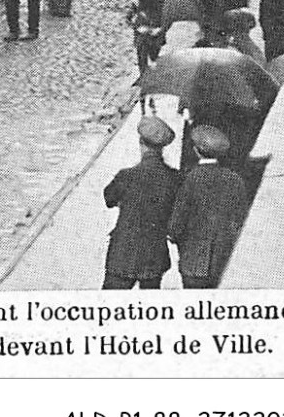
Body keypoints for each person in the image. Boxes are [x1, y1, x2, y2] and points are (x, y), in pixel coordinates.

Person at [101, 116, 181, 290]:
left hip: (123, 255)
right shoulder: (175, 178)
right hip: (154, 256)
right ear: (162, 148)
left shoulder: (126, 176)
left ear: (141, 144)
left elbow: (109, 198)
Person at [167, 125, 249, 290]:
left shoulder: (190, 178)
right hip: (221, 259)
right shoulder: (235, 180)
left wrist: (173, 234)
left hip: (193, 260)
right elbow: (239, 219)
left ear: (196, 150)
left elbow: (178, 220)